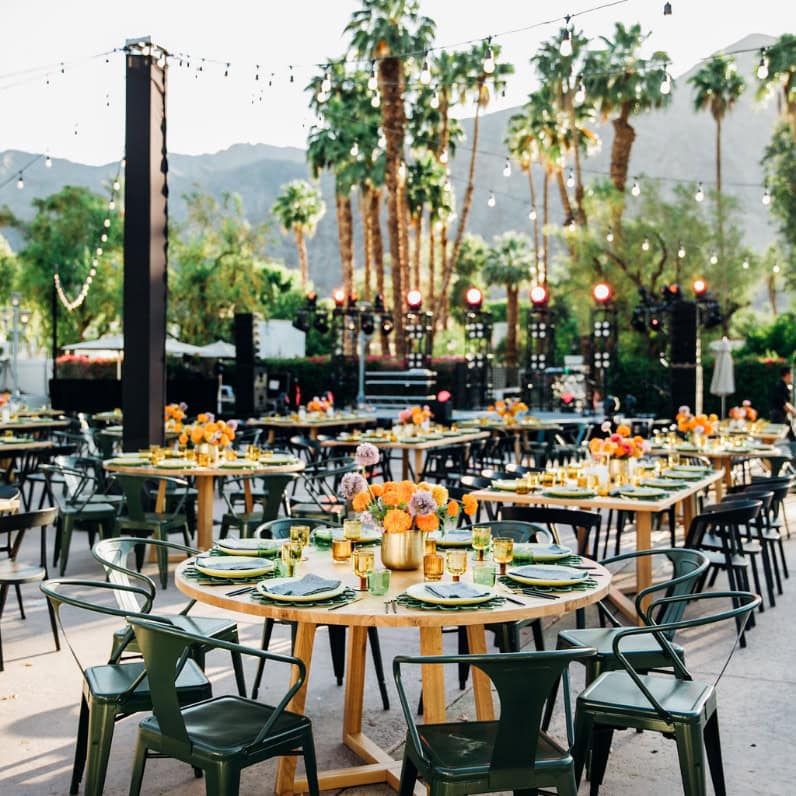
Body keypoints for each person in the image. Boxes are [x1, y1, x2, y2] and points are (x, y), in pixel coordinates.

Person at [769, 366, 795, 438]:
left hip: (781, 416)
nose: (792, 376)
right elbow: (785, 405)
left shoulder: (782, 386)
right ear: (787, 375)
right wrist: (794, 413)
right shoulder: (780, 387)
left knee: (792, 437)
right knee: (775, 438)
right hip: (778, 417)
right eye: (792, 374)